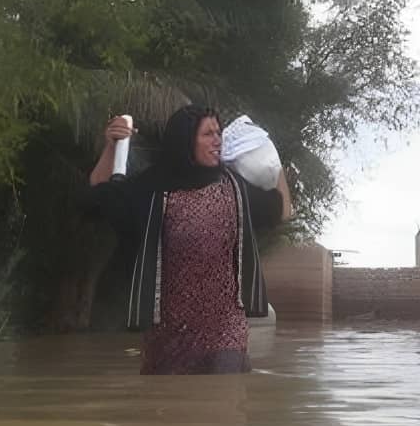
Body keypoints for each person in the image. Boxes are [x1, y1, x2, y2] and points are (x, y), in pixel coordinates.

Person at [86, 104, 292, 375]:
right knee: (168, 398)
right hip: (168, 336)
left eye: (218, 133)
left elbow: (282, 211)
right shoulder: (151, 190)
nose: (217, 140)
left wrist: (274, 163)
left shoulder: (235, 188)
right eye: (208, 134)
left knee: (224, 394)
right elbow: (99, 198)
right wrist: (112, 146)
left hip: (226, 335)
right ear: (184, 141)